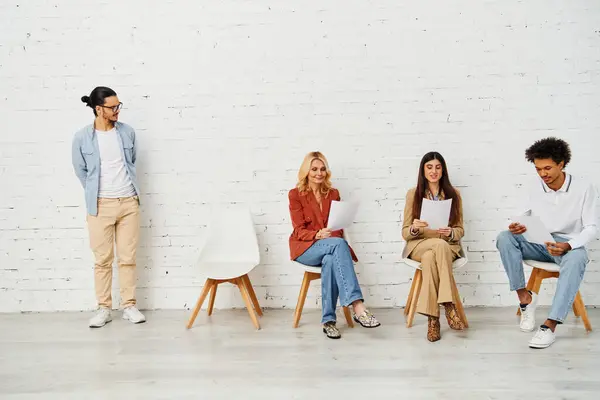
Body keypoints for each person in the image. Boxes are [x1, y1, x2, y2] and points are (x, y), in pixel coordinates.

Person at [496, 137, 597, 349]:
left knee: (578, 257)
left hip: (567, 246)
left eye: (548, 168)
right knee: (504, 237)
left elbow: (592, 228)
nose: (543, 174)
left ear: (562, 164)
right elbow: (520, 216)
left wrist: (569, 246)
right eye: (538, 169)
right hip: (539, 241)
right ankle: (526, 299)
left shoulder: (583, 188)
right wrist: (515, 226)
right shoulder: (534, 187)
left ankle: (550, 326)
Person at [71, 86, 146, 328]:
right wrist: (97, 194)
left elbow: (131, 161)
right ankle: (104, 308)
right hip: (100, 205)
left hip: (128, 202)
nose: (117, 111)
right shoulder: (82, 137)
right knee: (102, 260)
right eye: (112, 107)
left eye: (118, 105)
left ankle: (129, 305)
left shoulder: (127, 133)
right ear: (98, 109)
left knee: (127, 258)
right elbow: (81, 171)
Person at [288, 151, 380, 339]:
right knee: (338, 245)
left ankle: (328, 321)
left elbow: (337, 227)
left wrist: (329, 236)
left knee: (331, 259)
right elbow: (298, 230)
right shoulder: (295, 194)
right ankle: (357, 305)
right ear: (306, 171)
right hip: (305, 247)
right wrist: (317, 234)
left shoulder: (333, 194)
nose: (318, 173)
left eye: (322, 169)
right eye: (314, 169)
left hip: (329, 248)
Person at [401, 152, 466, 342]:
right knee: (434, 247)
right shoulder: (413, 194)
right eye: (429, 167)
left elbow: (461, 229)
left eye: (438, 167)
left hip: (445, 247)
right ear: (423, 170)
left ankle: (433, 320)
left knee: (431, 257)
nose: (434, 171)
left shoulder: (455, 194)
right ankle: (447, 303)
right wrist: (414, 228)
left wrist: (451, 232)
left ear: (443, 170)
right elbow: (405, 231)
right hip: (419, 244)